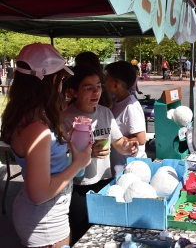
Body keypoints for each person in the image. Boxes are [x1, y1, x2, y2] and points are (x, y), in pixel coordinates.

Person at [0, 43, 92, 248]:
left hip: (45, 216)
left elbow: (44, 161)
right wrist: (78, 164)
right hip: (44, 222)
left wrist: (66, 141)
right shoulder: (36, 128)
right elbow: (39, 193)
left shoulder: (31, 117)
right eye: (60, 79)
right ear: (51, 80)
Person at [63, 64, 138, 245]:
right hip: (79, 187)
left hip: (105, 183)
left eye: (98, 86)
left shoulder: (105, 112)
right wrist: (88, 152)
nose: (96, 92)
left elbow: (118, 143)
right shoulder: (65, 118)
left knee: (106, 235)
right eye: (88, 88)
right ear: (73, 91)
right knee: (83, 237)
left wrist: (128, 147)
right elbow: (60, 158)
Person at [105, 61, 147, 176]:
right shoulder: (116, 101)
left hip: (131, 169)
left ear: (116, 84)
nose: (104, 81)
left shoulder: (131, 106)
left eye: (107, 78)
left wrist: (116, 140)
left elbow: (141, 138)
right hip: (120, 166)